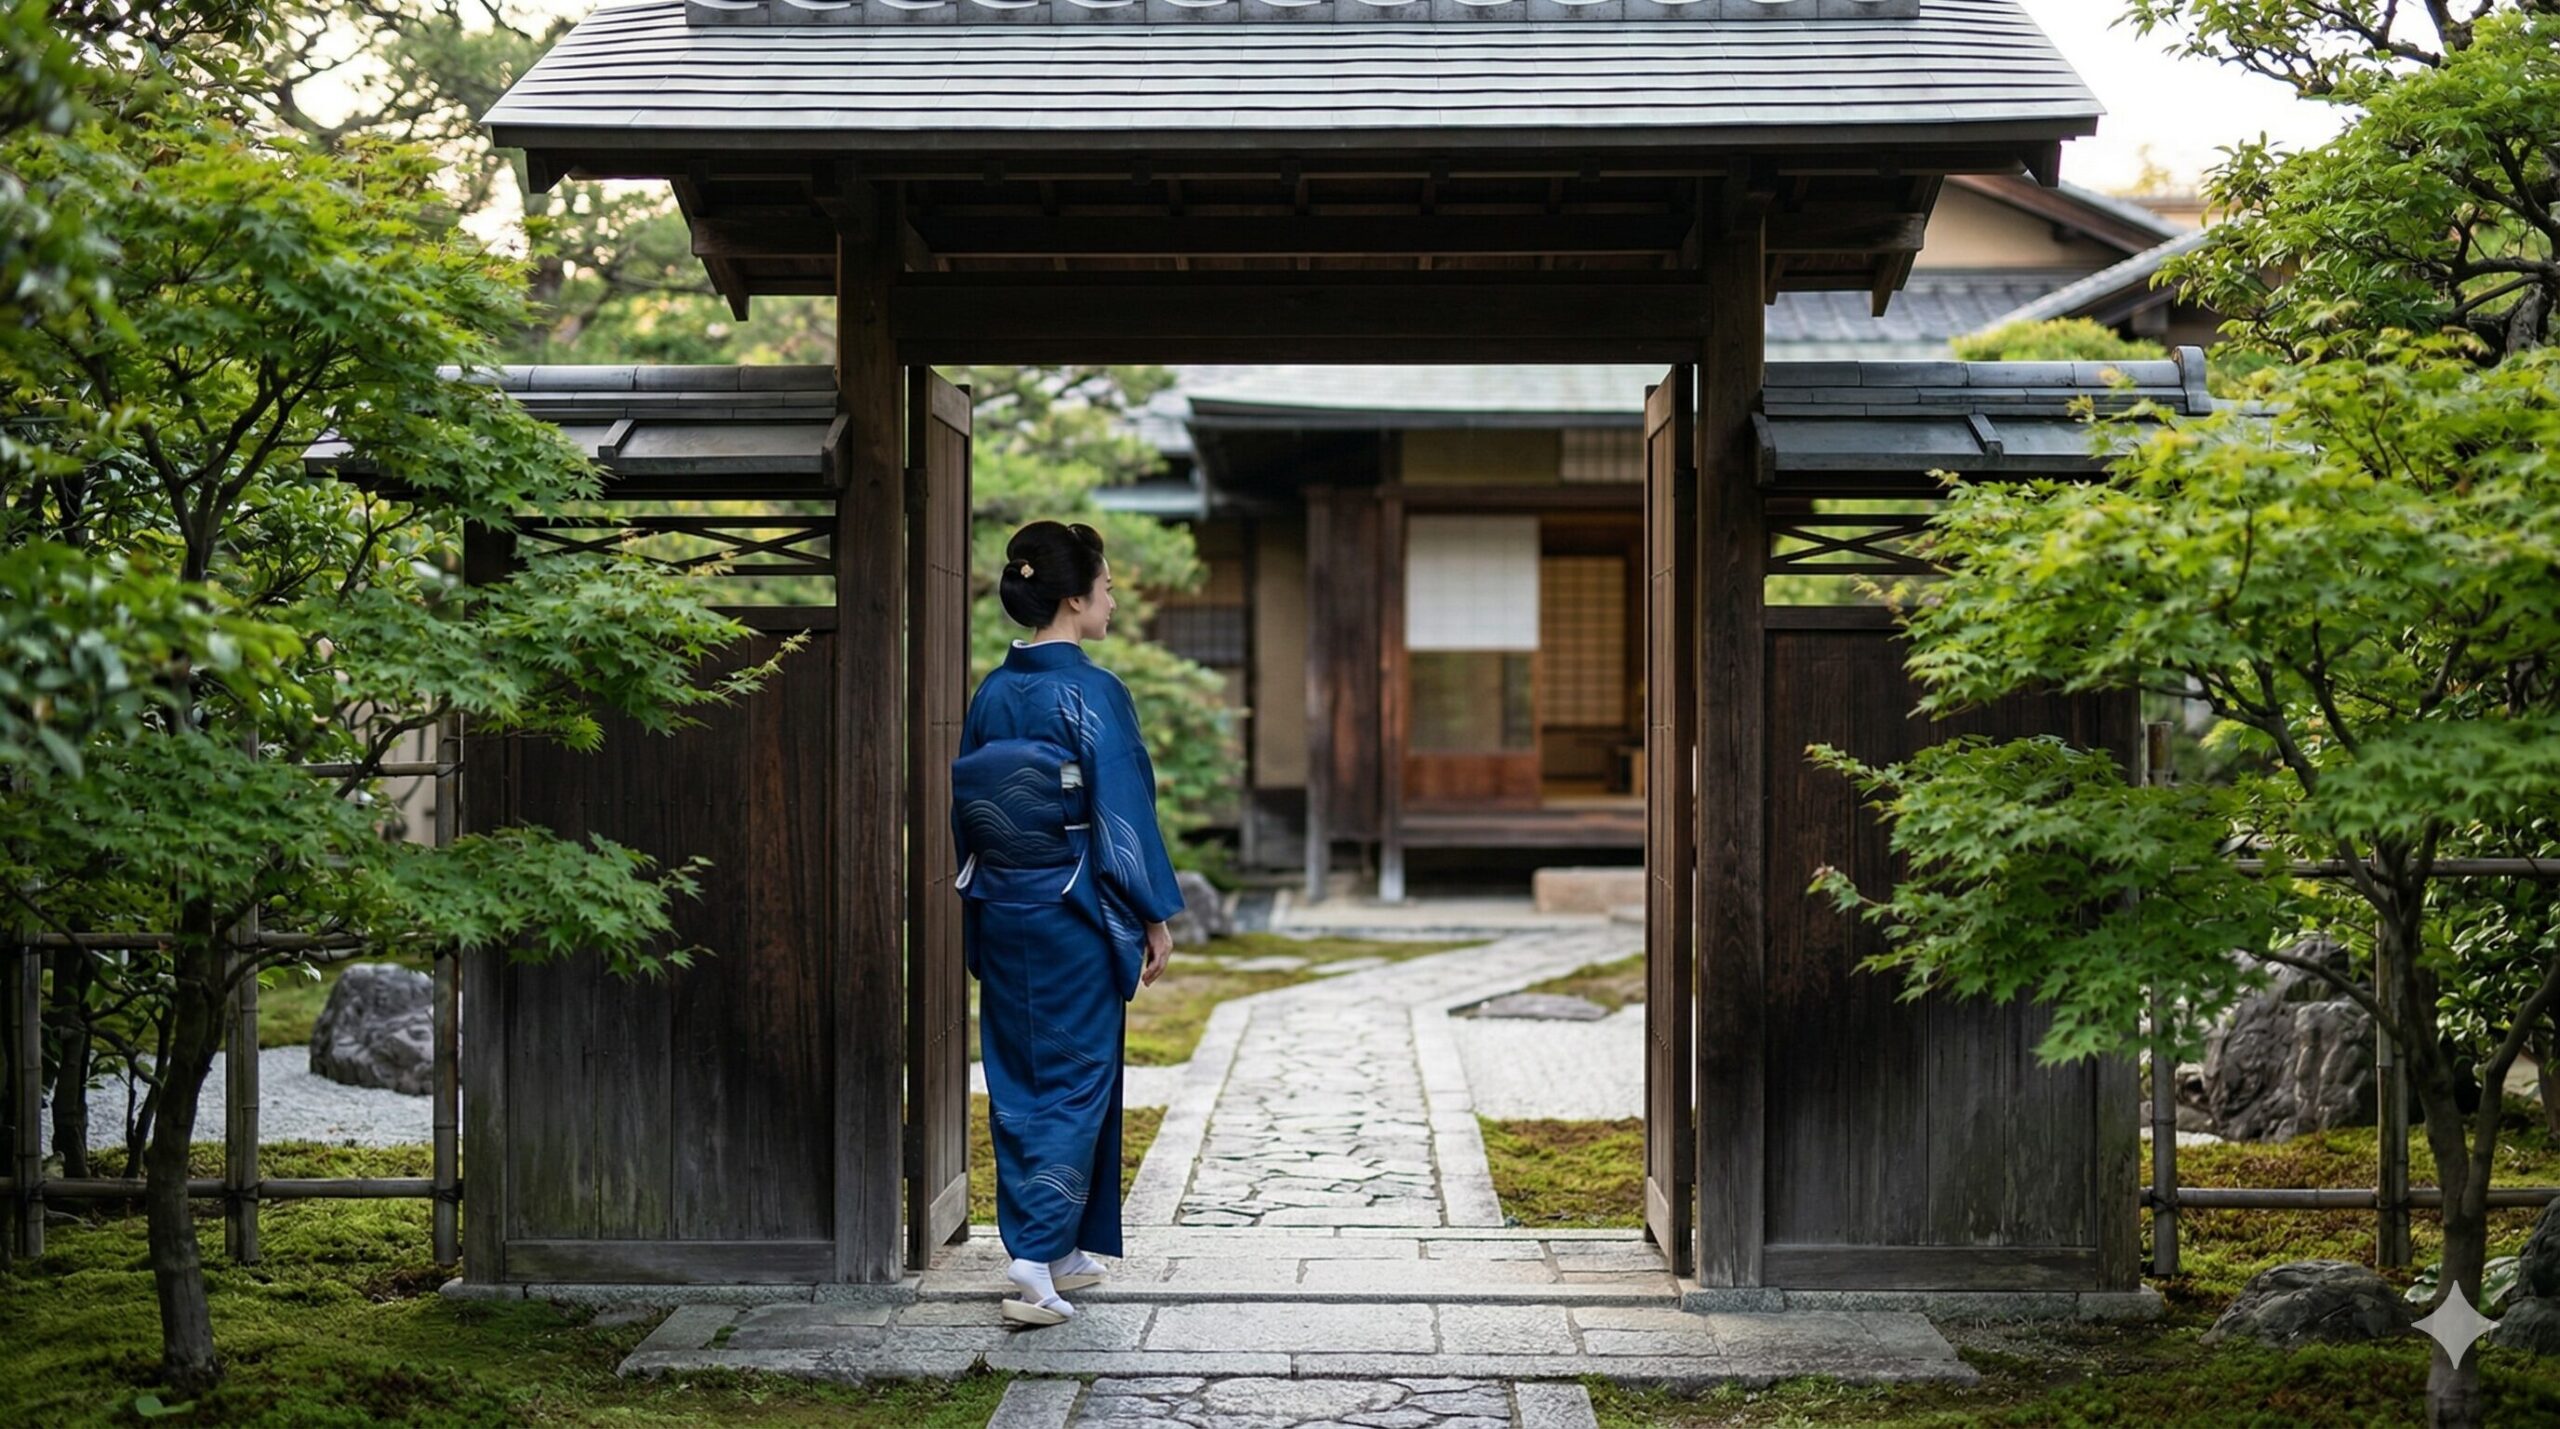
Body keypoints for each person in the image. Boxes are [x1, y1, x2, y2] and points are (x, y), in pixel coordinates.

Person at [951, 519, 1185, 1327]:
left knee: (1021, 1078)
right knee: (1079, 1079)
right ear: (1076, 597)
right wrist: (1154, 914)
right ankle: (1031, 1262)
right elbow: (1122, 812)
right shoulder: (1092, 690)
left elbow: (969, 815)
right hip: (1075, 908)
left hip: (1003, 902)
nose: (1115, 599)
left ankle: (1060, 1247)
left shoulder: (992, 690)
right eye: (1109, 585)